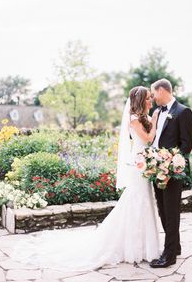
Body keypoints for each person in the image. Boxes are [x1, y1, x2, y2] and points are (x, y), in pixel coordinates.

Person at [11, 86, 160, 271]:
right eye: (147, 99)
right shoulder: (134, 119)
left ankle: (144, 247)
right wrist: (154, 122)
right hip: (139, 167)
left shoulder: (142, 117)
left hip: (143, 165)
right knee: (137, 202)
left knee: (143, 202)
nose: (150, 101)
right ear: (139, 101)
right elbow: (147, 139)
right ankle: (132, 247)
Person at [149, 78, 192, 268]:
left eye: (153, 93)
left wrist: (171, 163)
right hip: (156, 170)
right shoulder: (157, 112)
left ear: (161, 90)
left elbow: (186, 145)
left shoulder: (183, 112)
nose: (152, 97)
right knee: (163, 211)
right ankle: (174, 246)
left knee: (172, 212)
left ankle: (169, 257)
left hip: (173, 171)